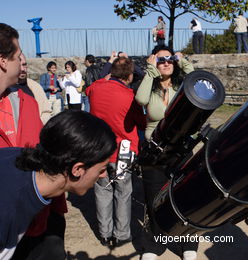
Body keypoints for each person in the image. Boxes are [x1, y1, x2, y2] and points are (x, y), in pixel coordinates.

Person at [0, 110, 117, 259]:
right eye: (101, 169)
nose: (104, 175)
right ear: (78, 169)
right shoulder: (7, 209)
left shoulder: (15, 157)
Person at [0, 23, 68, 260]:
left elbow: (43, 154)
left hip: (38, 223)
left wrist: (56, 212)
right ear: (3, 60)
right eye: (19, 56)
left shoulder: (27, 102)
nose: (22, 63)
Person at [135, 45, 198, 260]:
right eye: (161, 60)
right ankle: (155, 245)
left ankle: (188, 243)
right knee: (154, 199)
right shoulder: (149, 85)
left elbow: (199, 85)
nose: (166, 63)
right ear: (154, 61)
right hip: (154, 151)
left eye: (169, 59)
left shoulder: (182, 85)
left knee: (186, 197)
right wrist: (150, 70)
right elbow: (141, 100)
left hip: (180, 149)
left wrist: (184, 62)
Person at [87, 57, 146, 248]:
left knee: (102, 191)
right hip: (124, 151)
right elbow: (142, 123)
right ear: (130, 76)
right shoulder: (131, 97)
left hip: (98, 151)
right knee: (123, 192)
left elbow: (95, 84)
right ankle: (121, 234)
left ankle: (104, 234)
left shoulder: (95, 88)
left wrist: (109, 65)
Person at [11, 53, 52, 124]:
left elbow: (46, 111)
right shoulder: (5, 88)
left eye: (24, 65)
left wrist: (39, 124)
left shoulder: (35, 86)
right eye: (18, 65)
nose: (22, 69)